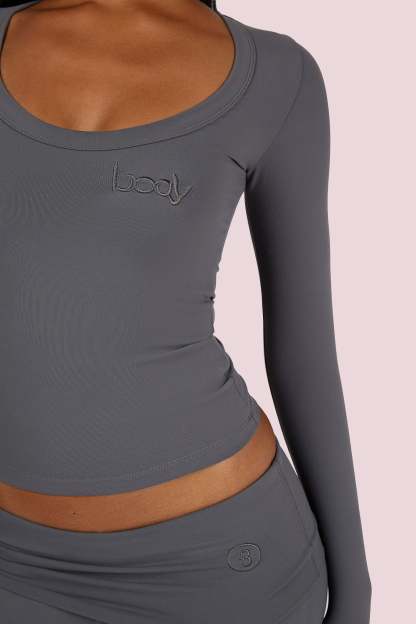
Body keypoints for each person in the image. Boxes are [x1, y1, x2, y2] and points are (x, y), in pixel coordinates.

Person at [0, 1, 371, 622]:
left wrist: (355, 590)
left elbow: (303, 345)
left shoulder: (277, 75)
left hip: (218, 565)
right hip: (16, 564)